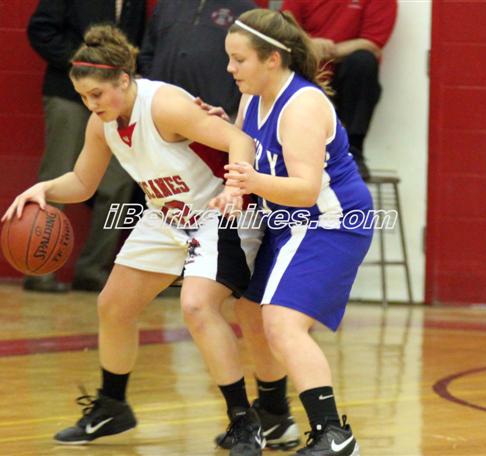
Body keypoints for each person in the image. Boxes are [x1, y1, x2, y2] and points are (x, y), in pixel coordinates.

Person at [2, 25, 269, 456]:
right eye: (83, 97)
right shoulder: (102, 123)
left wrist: (236, 189)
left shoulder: (164, 105)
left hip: (217, 212)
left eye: (97, 94)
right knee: (113, 305)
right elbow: (83, 182)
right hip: (166, 215)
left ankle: (243, 420)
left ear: (124, 80)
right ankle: (113, 406)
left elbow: (239, 140)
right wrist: (44, 189)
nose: (91, 104)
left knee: (197, 307)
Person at [209, 9, 374, 455]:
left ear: (272, 59)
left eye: (239, 59)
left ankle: (333, 434)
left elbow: (305, 190)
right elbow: (243, 150)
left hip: (331, 222)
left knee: (282, 322)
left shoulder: (301, 105)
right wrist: (233, 184)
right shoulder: (252, 97)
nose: (230, 68)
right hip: (288, 222)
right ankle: (275, 416)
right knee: (249, 309)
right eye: (229, 58)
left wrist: (251, 182)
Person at [25, 0, 147, 292]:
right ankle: (39, 270)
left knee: (118, 183)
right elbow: (40, 30)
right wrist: (85, 68)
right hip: (68, 95)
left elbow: (135, 45)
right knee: (57, 176)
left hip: (116, 102)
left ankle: (93, 270)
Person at [281, 0, 397, 180]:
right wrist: (308, 46)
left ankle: (353, 153)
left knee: (363, 61)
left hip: (346, 80)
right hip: (307, 70)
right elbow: (285, 31)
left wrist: (329, 50)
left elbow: (372, 44)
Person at [138, 0, 257, 119]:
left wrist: (230, 103)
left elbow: (254, 66)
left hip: (215, 115)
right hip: (160, 109)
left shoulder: (245, 10)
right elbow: (147, 52)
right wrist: (154, 81)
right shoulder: (167, 4)